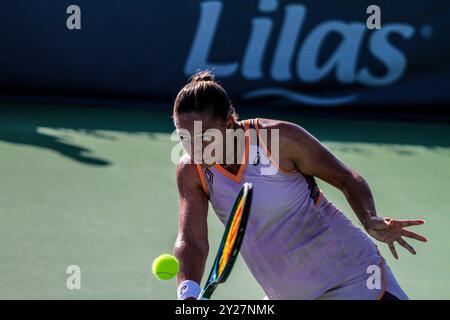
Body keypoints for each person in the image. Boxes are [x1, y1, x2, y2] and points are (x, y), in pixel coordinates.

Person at [172, 70, 427, 300]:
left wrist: (369, 218)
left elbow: (346, 178)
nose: (194, 149)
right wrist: (188, 294)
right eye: (184, 137)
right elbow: (192, 239)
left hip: (353, 280)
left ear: (228, 123)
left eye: (204, 137)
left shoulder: (278, 140)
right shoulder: (191, 171)